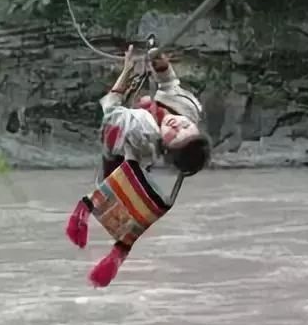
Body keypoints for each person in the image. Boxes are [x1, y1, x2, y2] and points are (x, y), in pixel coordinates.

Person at [65, 44, 211, 287]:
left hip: (116, 158)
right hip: (129, 130)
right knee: (152, 99)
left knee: (125, 118)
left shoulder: (141, 132)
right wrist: (160, 63)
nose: (177, 125)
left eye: (175, 135)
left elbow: (110, 112)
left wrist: (127, 71)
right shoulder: (190, 109)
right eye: (186, 127)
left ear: (166, 147)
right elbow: (170, 85)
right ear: (195, 127)